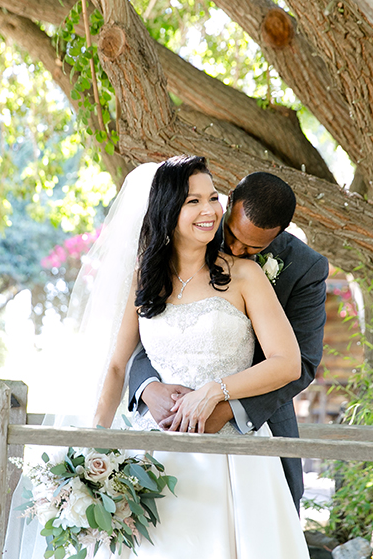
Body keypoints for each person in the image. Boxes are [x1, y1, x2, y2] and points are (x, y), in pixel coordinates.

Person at [6, 156, 310, 558]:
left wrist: (213, 393)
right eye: (193, 201)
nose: (209, 211)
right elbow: (117, 366)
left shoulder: (244, 275)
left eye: (213, 198)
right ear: (168, 210)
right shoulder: (145, 278)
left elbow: (287, 363)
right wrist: (92, 448)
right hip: (152, 456)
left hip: (234, 457)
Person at [128, 171, 328, 510]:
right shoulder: (189, 237)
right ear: (229, 201)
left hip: (253, 426)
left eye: (254, 247)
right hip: (165, 422)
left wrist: (228, 409)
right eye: (233, 235)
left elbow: (302, 363)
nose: (235, 249)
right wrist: (147, 387)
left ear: (281, 232)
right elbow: (155, 329)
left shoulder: (305, 268)